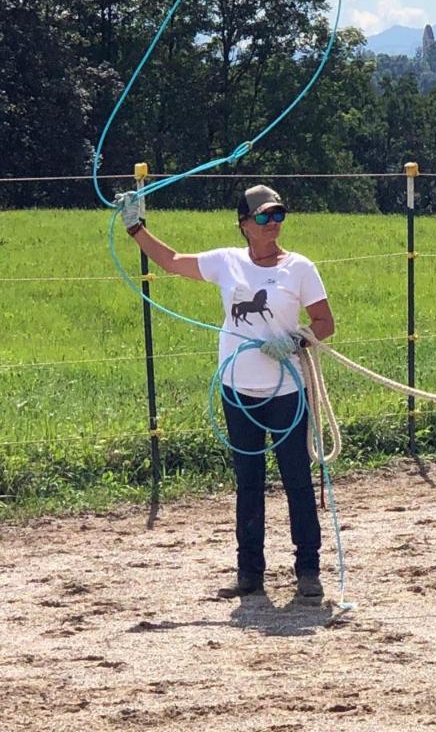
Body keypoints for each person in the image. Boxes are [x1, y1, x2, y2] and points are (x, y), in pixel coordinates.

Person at [119, 184, 335, 603]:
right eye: (264, 217)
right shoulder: (227, 262)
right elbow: (172, 262)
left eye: (278, 216)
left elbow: (325, 322)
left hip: (288, 390)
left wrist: (296, 341)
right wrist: (136, 229)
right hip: (238, 390)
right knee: (248, 482)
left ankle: (308, 569)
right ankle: (249, 571)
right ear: (244, 225)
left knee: (297, 481)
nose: (273, 224)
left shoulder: (300, 268)